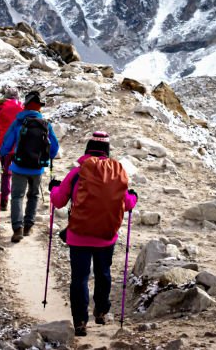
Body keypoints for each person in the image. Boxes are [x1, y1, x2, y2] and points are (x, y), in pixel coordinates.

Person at [50, 131, 137, 337]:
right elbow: (126, 204)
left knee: (79, 278)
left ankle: (80, 321)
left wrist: (53, 188)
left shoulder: (77, 173)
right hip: (106, 235)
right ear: (107, 151)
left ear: (88, 149)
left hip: (79, 235)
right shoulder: (117, 174)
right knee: (103, 273)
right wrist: (133, 196)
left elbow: (59, 201)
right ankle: (101, 311)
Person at [0, 91, 59, 242]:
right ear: (39, 108)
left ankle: (17, 228)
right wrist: (48, 157)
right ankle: (28, 226)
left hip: (19, 166)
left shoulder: (19, 123)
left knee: (17, 196)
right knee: (33, 195)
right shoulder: (46, 124)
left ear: (25, 107)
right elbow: (54, 147)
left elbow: (7, 142)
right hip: (37, 168)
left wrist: (5, 155)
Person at [0, 85, 23, 211]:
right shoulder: (23, 109)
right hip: (22, 148)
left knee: (6, 174)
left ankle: (4, 202)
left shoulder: (1, 109)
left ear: (6, 98)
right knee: (19, 173)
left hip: (5, 148)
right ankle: (18, 202)